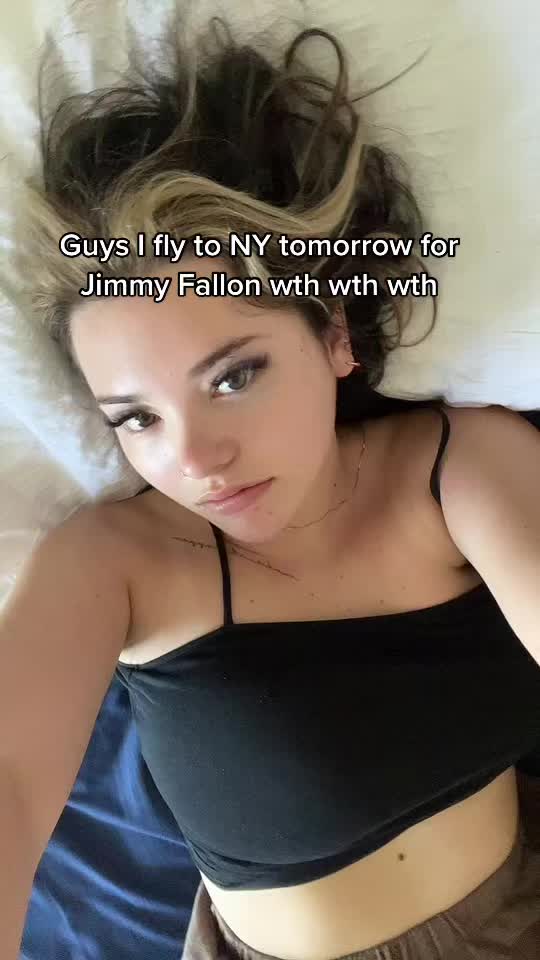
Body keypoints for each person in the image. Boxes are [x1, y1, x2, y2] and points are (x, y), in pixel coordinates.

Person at [4, 15, 540, 960]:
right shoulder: (114, 564)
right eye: (138, 418)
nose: (196, 460)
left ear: (332, 333)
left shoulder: (459, 465)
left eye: (232, 377)